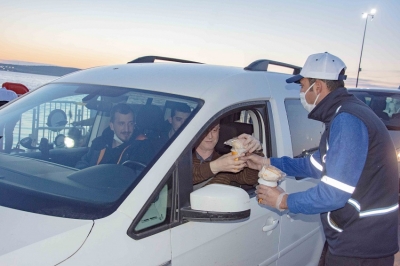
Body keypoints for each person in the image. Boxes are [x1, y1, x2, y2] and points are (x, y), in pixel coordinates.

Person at [244, 52, 399, 265]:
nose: (301, 92)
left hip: (361, 243)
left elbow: (333, 194)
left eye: (302, 86)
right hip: (361, 235)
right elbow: (317, 164)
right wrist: (268, 162)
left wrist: (284, 201)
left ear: (317, 87)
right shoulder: (344, 113)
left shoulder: (347, 120)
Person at [193, 122, 262, 189]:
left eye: (214, 130)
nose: (210, 136)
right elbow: (183, 177)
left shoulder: (228, 161)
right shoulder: (183, 157)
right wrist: (217, 166)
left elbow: (250, 179)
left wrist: (254, 150)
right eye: (205, 130)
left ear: (219, 130)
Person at [75, 103, 135, 169]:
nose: (126, 129)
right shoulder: (99, 143)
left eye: (130, 123)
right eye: (121, 123)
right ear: (112, 126)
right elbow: (84, 163)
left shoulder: (139, 148)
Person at [0, 87, 18, 153]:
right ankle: (8, 151)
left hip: (1, 115)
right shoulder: (12, 93)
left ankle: (0, 150)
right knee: (9, 132)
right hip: (13, 115)